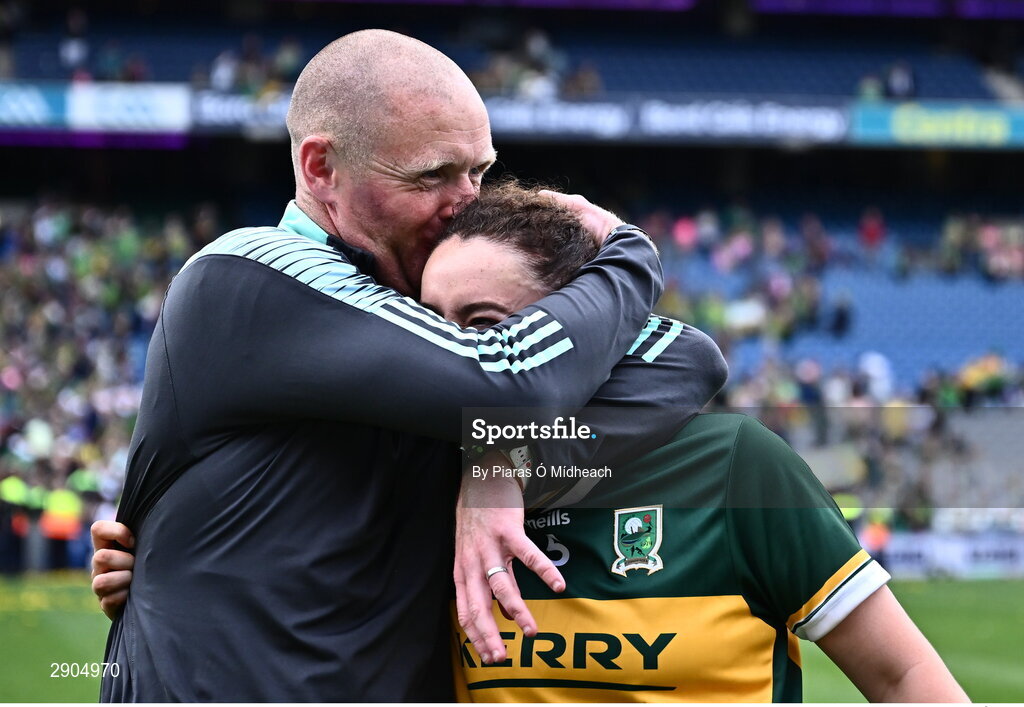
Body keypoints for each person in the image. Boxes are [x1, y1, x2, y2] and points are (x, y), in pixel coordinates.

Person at [94, 182, 967, 701]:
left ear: (581, 320)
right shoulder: (420, 475)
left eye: (481, 324)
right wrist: (165, 559)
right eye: (426, 327)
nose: (452, 357)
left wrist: (506, 454)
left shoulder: (737, 467)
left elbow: (899, 679)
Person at [91, 30, 712, 702]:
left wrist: (498, 461)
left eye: (478, 170)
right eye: (432, 176)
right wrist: (627, 250)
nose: (468, 202)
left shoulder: (432, 314)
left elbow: (684, 359)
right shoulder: (244, 276)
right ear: (321, 167)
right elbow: (511, 383)